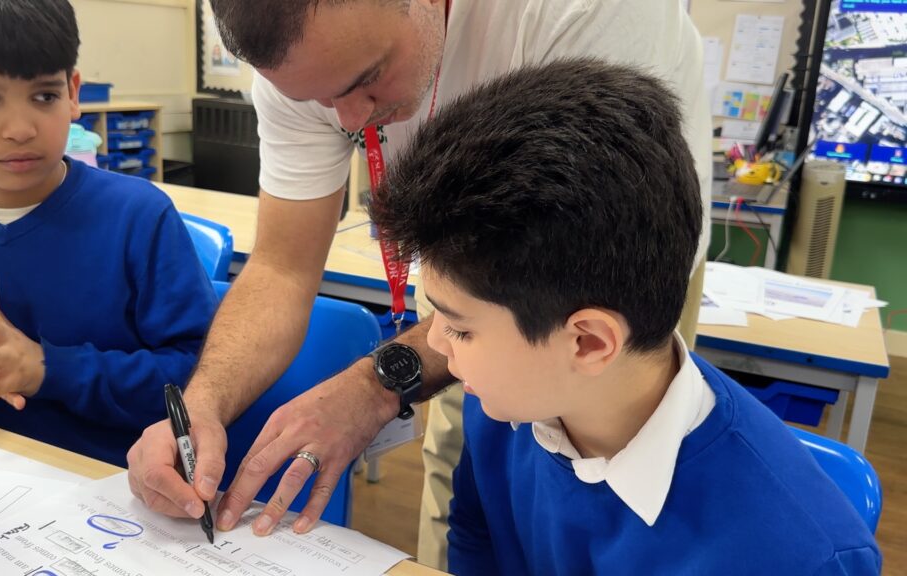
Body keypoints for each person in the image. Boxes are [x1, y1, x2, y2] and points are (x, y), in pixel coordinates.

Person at [126, 0, 712, 565]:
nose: (350, 120)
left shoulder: (584, 12)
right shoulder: (304, 60)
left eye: (367, 78)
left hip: (594, 284)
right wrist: (200, 409)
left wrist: (374, 387)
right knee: (471, 479)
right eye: (318, 99)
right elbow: (282, 265)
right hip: (470, 300)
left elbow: (580, 280)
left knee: (615, 511)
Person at [369, 57, 881, 575]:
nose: (437, 343)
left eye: (460, 327)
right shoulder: (507, 405)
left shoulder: (803, 555)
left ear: (589, 342)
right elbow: (477, 536)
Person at [0, 0, 217, 467]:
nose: (21, 129)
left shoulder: (139, 215)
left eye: (44, 96)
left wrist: (46, 368)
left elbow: (199, 378)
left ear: (73, 92)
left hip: (106, 489)